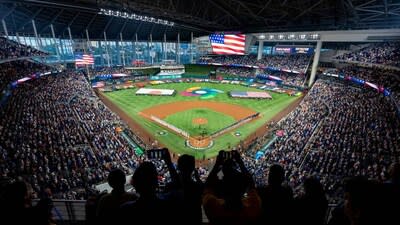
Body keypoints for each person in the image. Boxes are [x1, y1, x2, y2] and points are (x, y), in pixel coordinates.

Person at [203, 150, 261, 225]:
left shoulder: (213, 206)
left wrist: (217, 164)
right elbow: (251, 184)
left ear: (222, 190)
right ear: (243, 189)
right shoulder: (252, 207)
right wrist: (240, 162)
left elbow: (207, 186)